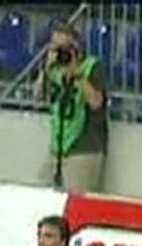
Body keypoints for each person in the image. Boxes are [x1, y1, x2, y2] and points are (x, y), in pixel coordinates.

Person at [32, 21, 108, 192]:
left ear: (76, 46)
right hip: (57, 146)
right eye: (55, 47)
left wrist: (79, 75)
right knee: (41, 193)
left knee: (77, 202)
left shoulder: (92, 66)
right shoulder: (53, 67)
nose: (60, 53)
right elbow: (37, 97)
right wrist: (45, 69)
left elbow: (96, 102)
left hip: (84, 147)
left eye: (64, 48)